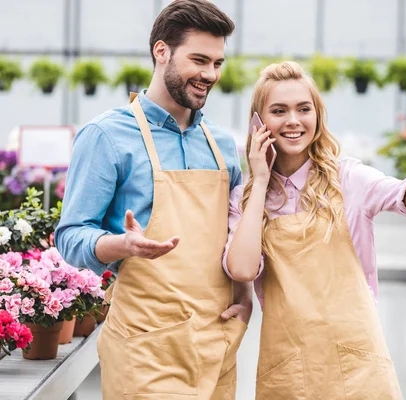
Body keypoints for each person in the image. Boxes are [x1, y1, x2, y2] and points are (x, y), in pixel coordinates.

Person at [224, 61, 406, 399]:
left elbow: (400, 193)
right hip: (288, 365)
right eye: (279, 110)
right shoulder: (245, 198)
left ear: (317, 116)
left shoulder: (347, 178)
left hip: (358, 362)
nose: (293, 120)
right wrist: (260, 180)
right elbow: (243, 269)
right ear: (258, 123)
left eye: (303, 109)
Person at [55, 1, 251, 398]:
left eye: (217, 63)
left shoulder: (223, 144)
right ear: (161, 52)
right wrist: (119, 245)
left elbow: (237, 231)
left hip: (216, 345)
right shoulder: (107, 136)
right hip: (145, 350)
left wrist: (245, 298)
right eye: (199, 60)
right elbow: (70, 236)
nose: (209, 74)